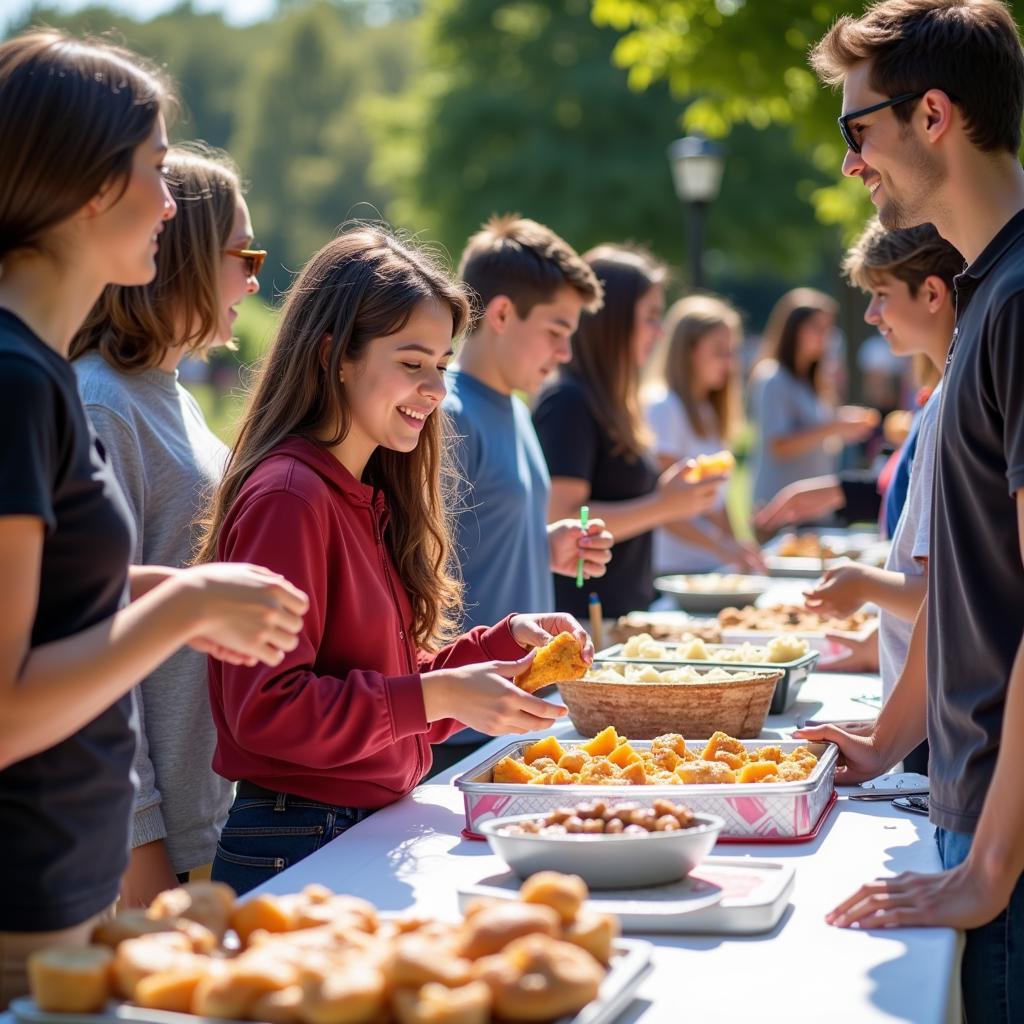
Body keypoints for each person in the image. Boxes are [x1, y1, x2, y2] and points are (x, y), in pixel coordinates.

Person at [0, 31, 306, 1004]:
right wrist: (187, 604)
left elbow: (57, 595)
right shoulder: (20, 384)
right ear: (94, 188)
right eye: (157, 172)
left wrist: (181, 590)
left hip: (62, 887)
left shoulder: (35, 374)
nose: (171, 206)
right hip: (34, 907)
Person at [197, 225, 588, 896]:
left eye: (441, 362)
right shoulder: (290, 496)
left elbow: (389, 694)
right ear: (335, 357)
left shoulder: (363, 490)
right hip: (295, 843)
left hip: (356, 829)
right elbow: (266, 710)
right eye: (412, 362)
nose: (435, 388)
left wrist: (500, 653)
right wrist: (435, 693)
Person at [798, 3, 1024, 1018]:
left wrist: (989, 863)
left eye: (858, 130)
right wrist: (894, 742)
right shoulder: (988, 297)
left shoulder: (1015, 303)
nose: (852, 163)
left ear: (932, 115)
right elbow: (974, 580)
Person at [68, 144, 263, 907]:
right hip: (146, 848)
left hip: (205, 818)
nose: (254, 277)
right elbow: (95, 634)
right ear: (180, 255)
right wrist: (142, 845)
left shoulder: (168, 392)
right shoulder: (101, 402)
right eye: (242, 252)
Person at [434, 216, 612, 766]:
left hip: (513, 720)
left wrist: (543, 545)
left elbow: (474, 537)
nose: (564, 354)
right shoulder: (447, 416)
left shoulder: (515, 406)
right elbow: (415, 574)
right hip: (457, 733)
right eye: (556, 332)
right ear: (503, 314)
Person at [802, 220, 961, 768]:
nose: (870, 315)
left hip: (939, 732)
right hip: (925, 718)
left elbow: (943, 598)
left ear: (934, 294)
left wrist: (866, 583)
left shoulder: (949, 403)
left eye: (882, 296)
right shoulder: (945, 391)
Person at [533, 244, 723, 620]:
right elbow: (562, 516)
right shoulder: (568, 400)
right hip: (582, 624)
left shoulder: (615, 400)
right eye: (651, 316)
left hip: (623, 616)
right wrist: (664, 505)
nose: (661, 330)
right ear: (612, 320)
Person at [643, 294, 763, 575]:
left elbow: (715, 501)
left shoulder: (706, 410)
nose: (730, 363)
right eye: (720, 351)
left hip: (707, 567)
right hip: (672, 570)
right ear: (688, 351)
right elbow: (665, 509)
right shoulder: (664, 407)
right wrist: (724, 547)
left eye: (731, 351)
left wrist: (739, 545)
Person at [748, 287, 878, 509]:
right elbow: (779, 445)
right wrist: (834, 426)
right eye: (817, 327)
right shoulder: (773, 378)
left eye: (828, 328)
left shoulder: (814, 381)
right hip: (777, 507)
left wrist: (842, 424)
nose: (825, 337)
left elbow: (819, 433)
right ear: (794, 330)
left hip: (811, 511)